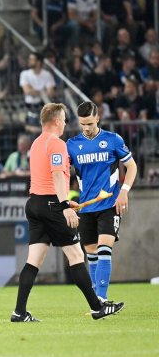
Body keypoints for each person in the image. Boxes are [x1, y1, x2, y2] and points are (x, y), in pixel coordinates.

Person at [11, 103, 124, 322]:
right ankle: (97, 308)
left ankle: (19, 312)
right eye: (63, 119)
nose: (65, 123)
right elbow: (56, 175)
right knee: (76, 255)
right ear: (55, 121)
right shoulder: (57, 144)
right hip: (52, 205)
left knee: (33, 260)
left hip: (34, 203)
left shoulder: (36, 144)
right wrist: (64, 205)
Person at [67, 101, 137, 300]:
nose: (86, 128)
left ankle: (101, 300)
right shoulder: (72, 145)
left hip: (109, 204)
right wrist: (65, 201)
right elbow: (63, 174)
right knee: (91, 255)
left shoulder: (113, 140)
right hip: (86, 207)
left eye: (89, 123)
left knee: (104, 249)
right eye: (83, 124)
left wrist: (124, 191)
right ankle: (99, 301)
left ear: (98, 118)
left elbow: (132, 166)